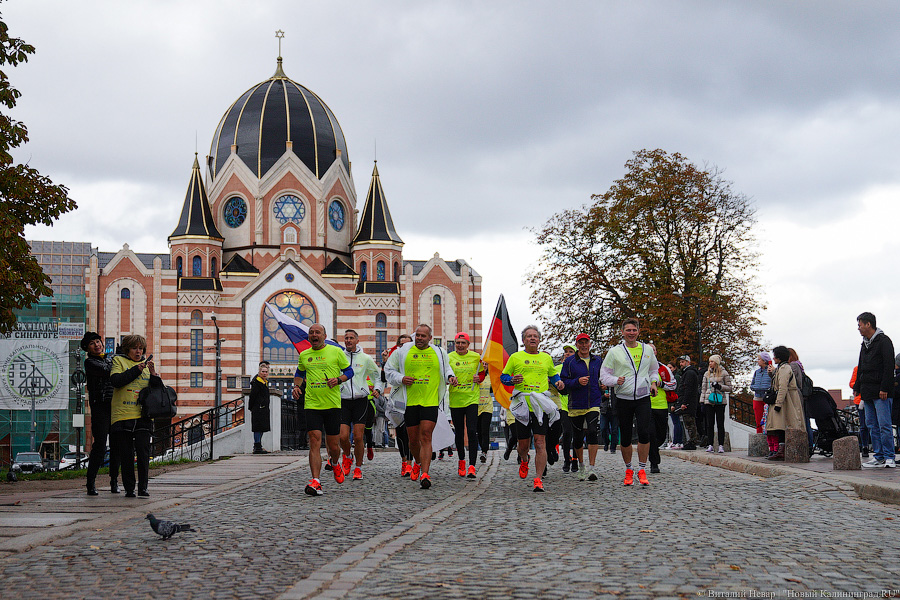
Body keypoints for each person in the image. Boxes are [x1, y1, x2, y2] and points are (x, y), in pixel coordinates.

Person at [385, 324, 457, 489]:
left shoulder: (439, 352)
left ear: (430, 338)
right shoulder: (403, 351)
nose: (419, 338)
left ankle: (425, 474)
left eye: (423, 336)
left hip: (430, 401)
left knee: (426, 436)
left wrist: (451, 376)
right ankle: (417, 462)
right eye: (417, 335)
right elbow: (388, 370)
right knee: (413, 440)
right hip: (410, 402)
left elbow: (446, 368)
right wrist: (401, 378)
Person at [293, 324, 354, 496]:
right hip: (312, 404)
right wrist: (296, 387)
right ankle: (316, 481)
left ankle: (335, 462)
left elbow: (349, 372)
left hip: (332, 405)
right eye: (311, 333)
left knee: (334, 446)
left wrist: (338, 379)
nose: (314, 335)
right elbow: (299, 373)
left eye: (317, 332)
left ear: (324, 335)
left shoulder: (335, 352)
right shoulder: (305, 355)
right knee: (314, 440)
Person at [501, 325, 563, 492]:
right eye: (529, 336)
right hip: (522, 405)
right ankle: (524, 459)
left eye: (535, 336)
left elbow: (552, 374)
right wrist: (512, 379)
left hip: (540, 405)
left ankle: (538, 479)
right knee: (523, 445)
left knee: (540, 442)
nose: (532, 338)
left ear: (539, 339)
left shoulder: (546, 358)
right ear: (524, 340)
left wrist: (557, 381)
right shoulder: (515, 357)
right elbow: (503, 377)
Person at [600, 318, 659, 486]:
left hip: (643, 397)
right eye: (628, 330)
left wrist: (654, 383)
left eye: (634, 330)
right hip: (623, 398)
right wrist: (614, 380)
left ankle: (642, 469)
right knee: (625, 436)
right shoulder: (615, 352)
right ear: (622, 332)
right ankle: (628, 469)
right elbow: (603, 375)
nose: (631, 333)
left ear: (638, 332)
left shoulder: (647, 349)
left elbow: (654, 370)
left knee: (644, 432)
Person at [109, 335, 155, 498]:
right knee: (126, 454)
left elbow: (155, 390)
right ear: (127, 349)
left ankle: (143, 487)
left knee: (143, 453)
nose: (138, 351)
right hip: (122, 416)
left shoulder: (147, 365)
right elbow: (117, 381)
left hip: (143, 416)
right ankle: (129, 488)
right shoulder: (118, 361)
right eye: (134, 348)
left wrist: (154, 375)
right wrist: (137, 369)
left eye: (141, 348)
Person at [853, 312, 896, 468]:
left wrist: (885, 387)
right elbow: (861, 365)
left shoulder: (884, 341)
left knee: (884, 424)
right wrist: (857, 386)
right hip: (867, 389)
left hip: (881, 390)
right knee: (871, 424)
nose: (858, 328)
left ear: (868, 324)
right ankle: (878, 456)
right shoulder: (864, 344)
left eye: (860, 325)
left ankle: (889, 456)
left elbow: (888, 365)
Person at [81, 331, 120, 495]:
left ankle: (114, 482)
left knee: (117, 444)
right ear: (88, 349)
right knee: (100, 445)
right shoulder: (90, 362)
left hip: (115, 405)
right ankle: (91, 483)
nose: (97, 345)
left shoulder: (110, 358)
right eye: (92, 343)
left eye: (98, 341)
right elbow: (108, 370)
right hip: (100, 406)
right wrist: (116, 359)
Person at [560, 333, 603, 481]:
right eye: (581, 343)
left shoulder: (597, 360)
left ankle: (592, 468)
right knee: (577, 438)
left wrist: (603, 385)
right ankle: (582, 465)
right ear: (577, 345)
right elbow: (564, 382)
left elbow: (602, 376)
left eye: (586, 342)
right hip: (576, 403)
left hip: (593, 402)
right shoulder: (570, 362)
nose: (584, 345)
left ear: (590, 344)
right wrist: (577, 381)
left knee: (592, 432)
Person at [339, 329, 380, 480]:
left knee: (357, 437)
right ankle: (348, 456)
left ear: (357, 340)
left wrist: (377, 389)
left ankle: (358, 467)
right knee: (343, 437)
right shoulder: (339, 356)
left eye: (351, 338)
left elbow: (377, 375)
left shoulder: (365, 358)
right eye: (346, 338)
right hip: (343, 400)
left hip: (360, 400)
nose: (348, 340)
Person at [448, 332, 486, 478]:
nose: (460, 345)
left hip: (472, 398)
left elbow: (482, 374)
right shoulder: (449, 357)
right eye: (458, 342)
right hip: (456, 398)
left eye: (463, 343)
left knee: (471, 430)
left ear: (468, 345)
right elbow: (445, 375)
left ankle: (472, 465)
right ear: (454, 344)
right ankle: (462, 461)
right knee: (458, 431)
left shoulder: (476, 357)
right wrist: (450, 379)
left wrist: (479, 378)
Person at [382, 334, 414, 476]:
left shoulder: (416, 358)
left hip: (414, 398)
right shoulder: (394, 358)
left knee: (412, 433)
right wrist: (385, 362)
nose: (405, 347)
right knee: (401, 432)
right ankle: (404, 460)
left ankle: (410, 463)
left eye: (408, 344)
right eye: (402, 345)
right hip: (398, 399)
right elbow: (384, 378)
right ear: (398, 346)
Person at [766, 345, 804, 461]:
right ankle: (781, 449)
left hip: (786, 401)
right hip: (785, 399)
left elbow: (783, 387)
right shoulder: (782, 368)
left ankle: (782, 450)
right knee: (780, 425)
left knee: (781, 425)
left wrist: (778, 404)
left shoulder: (784, 369)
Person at [649, 350, 676, 471]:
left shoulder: (664, 368)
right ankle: (654, 462)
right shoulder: (639, 368)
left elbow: (674, 385)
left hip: (661, 405)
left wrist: (661, 384)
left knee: (660, 435)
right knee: (650, 434)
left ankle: (655, 448)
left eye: (653, 350)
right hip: (645, 405)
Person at [700, 355, 732, 453]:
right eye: (709, 362)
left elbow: (729, 387)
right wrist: (702, 401)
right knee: (709, 424)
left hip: (720, 400)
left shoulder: (724, 373)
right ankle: (710, 444)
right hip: (709, 400)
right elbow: (703, 388)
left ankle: (721, 444)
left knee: (720, 423)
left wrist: (719, 386)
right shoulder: (707, 373)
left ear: (716, 362)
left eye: (712, 361)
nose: (710, 363)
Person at [674, 355, 700, 450]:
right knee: (688, 422)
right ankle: (691, 441)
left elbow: (688, 389)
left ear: (688, 362)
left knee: (689, 422)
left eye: (683, 362)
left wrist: (684, 402)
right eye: (680, 362)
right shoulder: (687, 373)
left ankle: (692, 441)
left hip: (688, 402)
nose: (681, 364)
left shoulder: (689, 373)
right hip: (688, 401)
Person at [557, 343, 576, 472]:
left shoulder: (578, 368)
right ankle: (566, 460)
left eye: (570, 351)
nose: (567, 353)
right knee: (567, 433)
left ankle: (575, 460)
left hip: (576, 404)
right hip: (562, 405)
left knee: (577, 434)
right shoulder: (557, 368)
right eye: (566, 352)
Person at [248, 361, 271, 454]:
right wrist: (252, 407)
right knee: (257, 428)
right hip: (258, 408)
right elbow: (252, 396)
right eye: (263, 372)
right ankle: (257, 446)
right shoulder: (257, 383)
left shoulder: (264, 382)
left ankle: (259, 445)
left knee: (262, 428)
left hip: (263, 408)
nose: (264, 373)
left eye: (266, 372)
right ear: (259, 372)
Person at [749, 352, 773, 434]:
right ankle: (759, 437)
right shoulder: (757, 372)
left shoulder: (771, 371)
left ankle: (770, 439)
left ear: (764, 361)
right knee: (758, 420)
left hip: (767, 398)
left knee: (769, 420)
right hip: (757, 398)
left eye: (759, 359)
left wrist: (762, 388)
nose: (758, 361)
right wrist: (757, 388)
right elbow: (752, 385)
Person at [849, 366, 870, 457]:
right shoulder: (857, 368)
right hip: (860, 400)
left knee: (872, 424)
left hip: (870, 397)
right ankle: (864, 446)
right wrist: (861, 385)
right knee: (863, 425)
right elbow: (851, 383)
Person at [476, 377, 494, 463]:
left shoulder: (490, 377)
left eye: (486, 364)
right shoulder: (475, 376)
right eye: (483, 364)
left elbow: (495, 388)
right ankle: (482, 448)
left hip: (487, 407)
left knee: (485, 430)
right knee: (479, 431)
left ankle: (484, 452)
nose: (484, 366)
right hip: (476, 407)